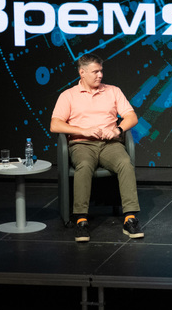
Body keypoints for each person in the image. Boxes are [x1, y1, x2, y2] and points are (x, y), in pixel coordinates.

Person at [50, 53, 144, 242]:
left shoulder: (113, 91)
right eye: (95, 72)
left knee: (125, 163)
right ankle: (81, 220)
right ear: (82, 73)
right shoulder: (68, 95)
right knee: (84, 165)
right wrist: (83, 131)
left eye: (101, 71)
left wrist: (117, 130)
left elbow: (131, 117)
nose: (100, 75)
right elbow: (55, 125)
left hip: (110, 144)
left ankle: (130, 218)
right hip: (82, 144)